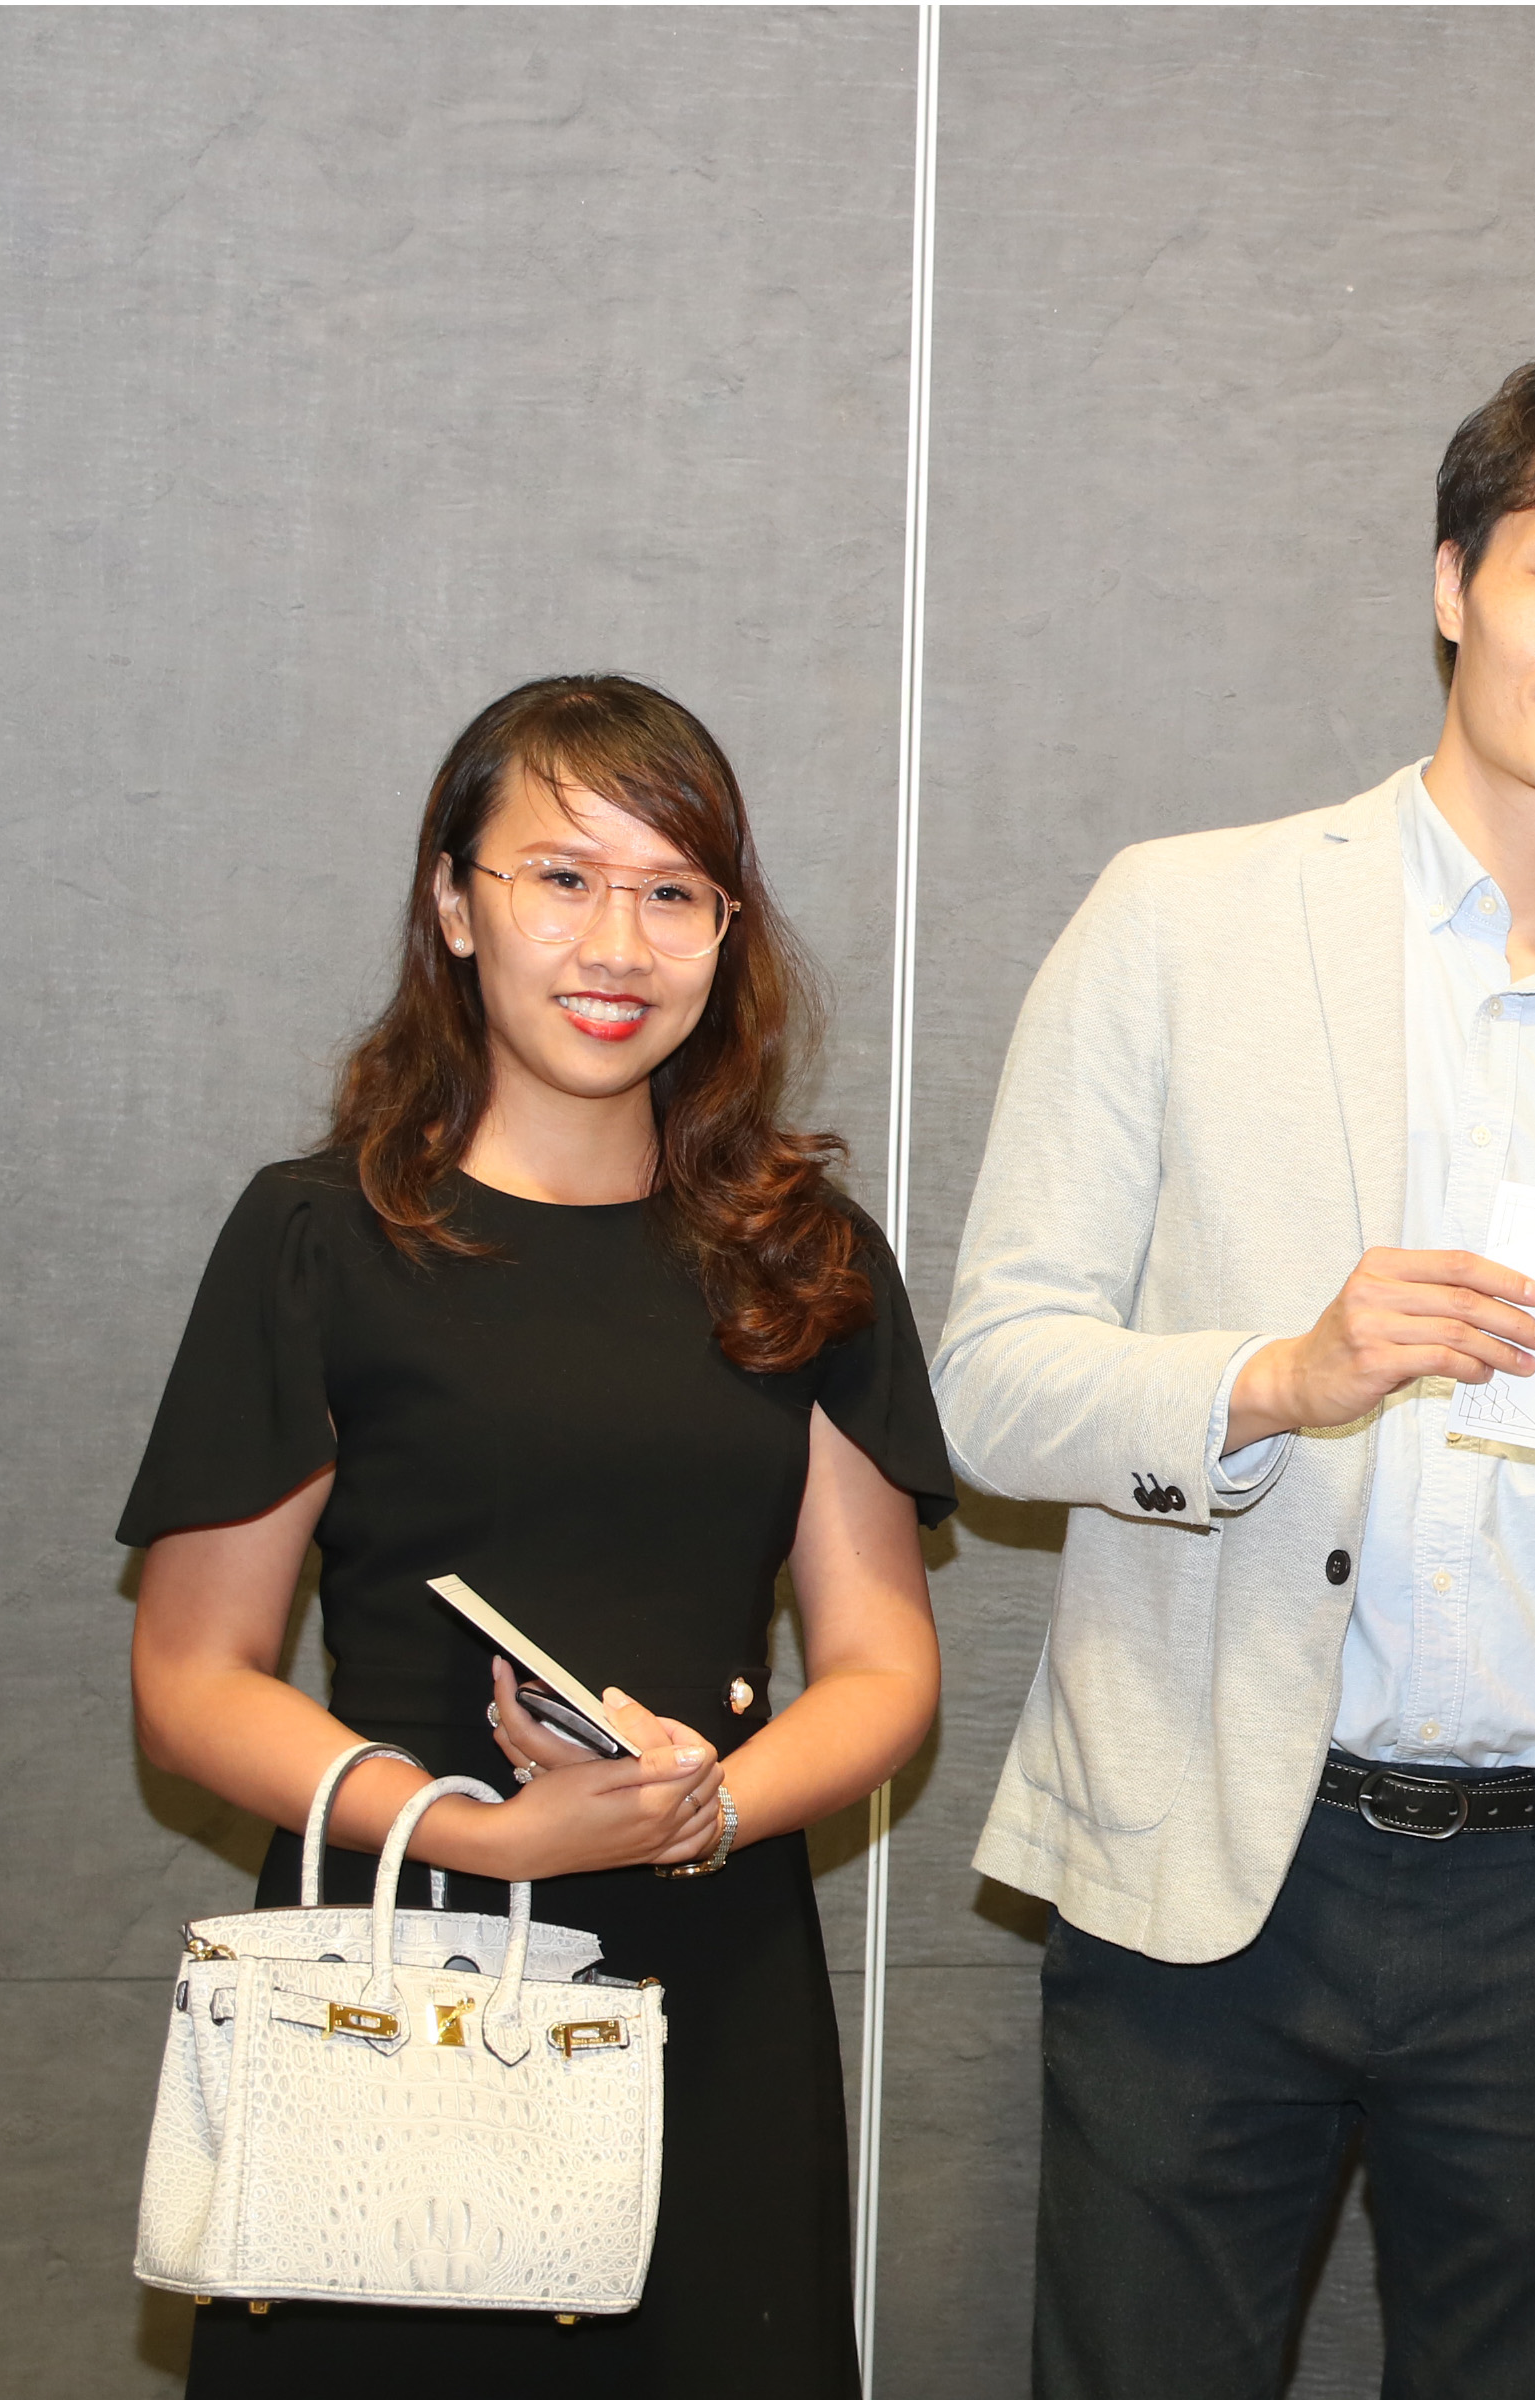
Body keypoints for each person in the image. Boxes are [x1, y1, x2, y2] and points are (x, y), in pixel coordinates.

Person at [933, 354, 1535, 2400]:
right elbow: (990, 1385)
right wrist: (1281, 1377)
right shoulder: (1182, 923)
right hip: (1213, 1843)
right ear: (1452, 583)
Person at [121, 674, 952, 2398]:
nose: (617, 943)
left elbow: (883, 1665)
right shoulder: (319, 1238)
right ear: (454, 902)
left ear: (726, 930)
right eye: (560, 878)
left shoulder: (804, 1254)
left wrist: (708, 1807)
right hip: (396, 1967)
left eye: (673, 892)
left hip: (712, 1963)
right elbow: (191, 1682)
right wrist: (483, 1837)